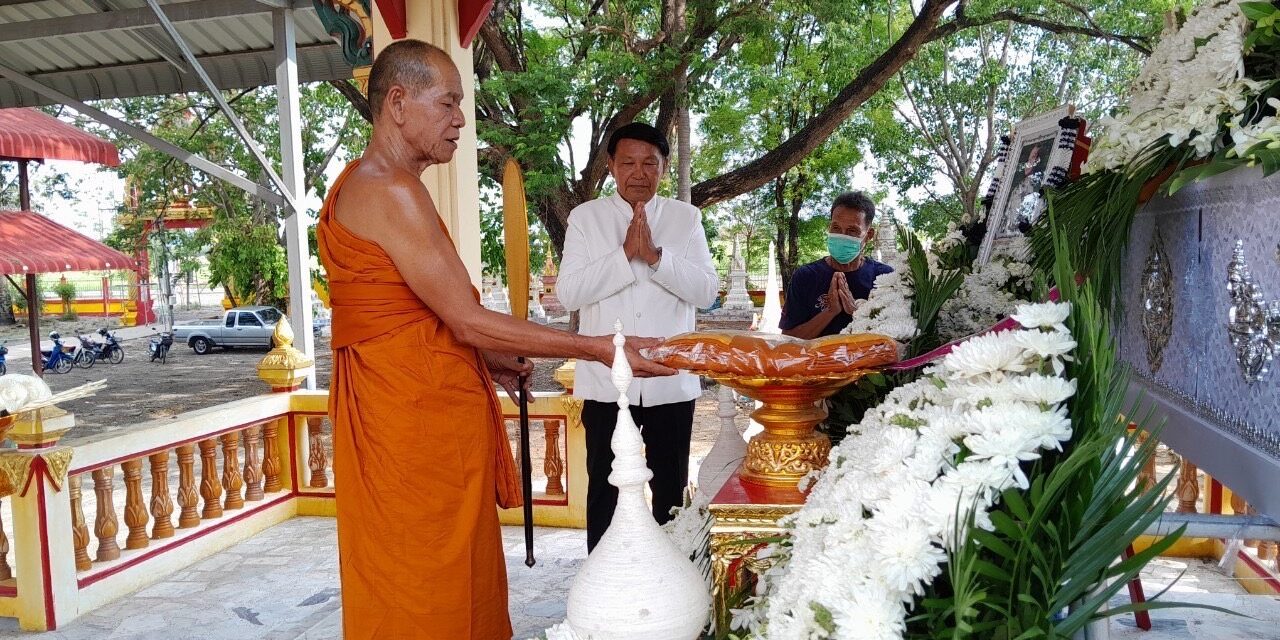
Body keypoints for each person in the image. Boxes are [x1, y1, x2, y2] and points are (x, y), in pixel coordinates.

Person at [315, 40, 674, 640]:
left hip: (413, 407)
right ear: (398, 103)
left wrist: (488, 354)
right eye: (448, 103)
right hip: (411, 418)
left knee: (435, 566)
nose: (461, 120)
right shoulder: (390, 190)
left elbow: (419, 311)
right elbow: (464, 319)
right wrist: (598, 347)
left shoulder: (369, 182)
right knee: (423, 574)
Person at [556, 122, 718, 552]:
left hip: (670, 381)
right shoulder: (586, 219)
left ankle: (674, 578)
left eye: (650, 163)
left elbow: (706, 291)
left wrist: (656, 257)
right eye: (628, 162)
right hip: (607, 384)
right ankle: (604, 580)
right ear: (611, 166)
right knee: (605, 492)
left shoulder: (686, 219)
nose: (639, 172)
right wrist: (625, 254)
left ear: (664, 167)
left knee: (670, 494)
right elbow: (569, 293)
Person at [780, 191, 894, 339]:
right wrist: (830, 311)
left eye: (852, 231)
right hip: (818, 355)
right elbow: (789, 338)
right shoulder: (805, 276)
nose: (842, 236)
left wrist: (857, 312)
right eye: (836, 228)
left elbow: (898, 338)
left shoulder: (885, 278)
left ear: (869, 235)